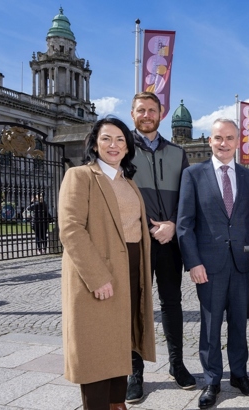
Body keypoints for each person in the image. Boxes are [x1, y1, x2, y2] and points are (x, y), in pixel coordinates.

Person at [59, 117, 156, 410]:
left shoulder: (129, 183)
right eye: (106, 139)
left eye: (120, 140)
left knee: (119, 342)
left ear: (127, 147)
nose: (113, 145)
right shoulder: (81, 176)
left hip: (132, 268)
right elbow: (71, 229)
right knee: (96, 347)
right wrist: (97, 276)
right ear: (94, 143)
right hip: (98, 271)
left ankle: (117, 403)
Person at [176, 118, 249, 409]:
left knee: (239, 324)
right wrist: (193, 263)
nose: (224, 143)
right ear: (210, 141)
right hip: (209, 267)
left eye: (229, 138)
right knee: (211, 327)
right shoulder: (193, 174)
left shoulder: (248, 177)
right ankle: (212, 380)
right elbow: (185, 225)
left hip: (242, 265)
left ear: (238, 141)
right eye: (218, 138)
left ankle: (239, 375)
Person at [127, 92, 193, 402]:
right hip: (135, 241)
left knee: (172, 303)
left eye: (152, 110)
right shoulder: (120, 149)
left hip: (169, 241)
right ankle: (133, 370)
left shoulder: (178, 154)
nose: (147, 114)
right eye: (141, 110)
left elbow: (188, 198)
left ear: (161, 114)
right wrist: (144, 227)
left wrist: (172, 226)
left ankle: (176, 365)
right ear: (133, 113)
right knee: (134, 304)